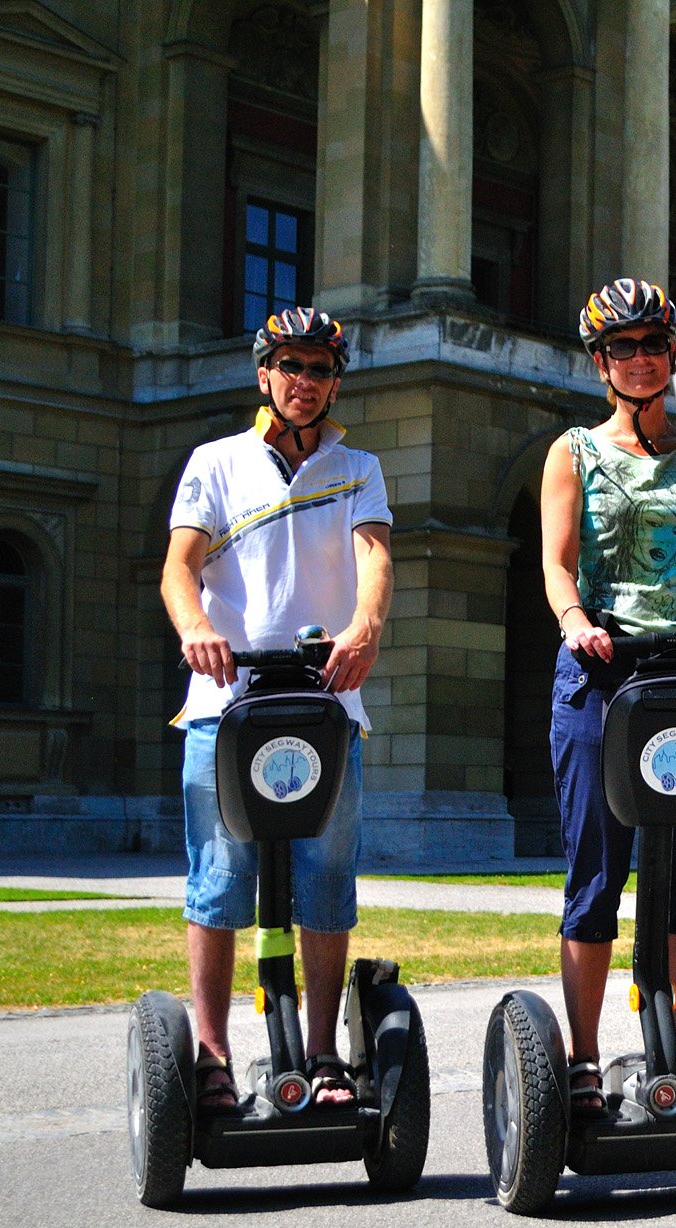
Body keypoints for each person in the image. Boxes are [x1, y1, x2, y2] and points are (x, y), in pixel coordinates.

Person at [540, 278, 676, 1114]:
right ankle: (585, 1062)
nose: (641, 360)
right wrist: (572, 619)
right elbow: (557, 562)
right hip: (601, 670)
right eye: (623, 348)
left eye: (653, 345)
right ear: (602, 362)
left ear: (673, 355)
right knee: (597, 872)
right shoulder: (574, 452)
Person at [163, 307, 393, 1115]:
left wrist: (365, 626)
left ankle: (325, 1051)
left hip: (325, 705)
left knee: (327, 882)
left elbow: (374, 558)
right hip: (223, 705)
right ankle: (215, 1055)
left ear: (336, 381)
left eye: (320, 369)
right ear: (264, 373)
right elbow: (178, 570)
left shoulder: (358, 466)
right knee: (220, 882)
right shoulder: (215, 463)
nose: (305, 382)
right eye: (290, 366)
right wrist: (196, 628)